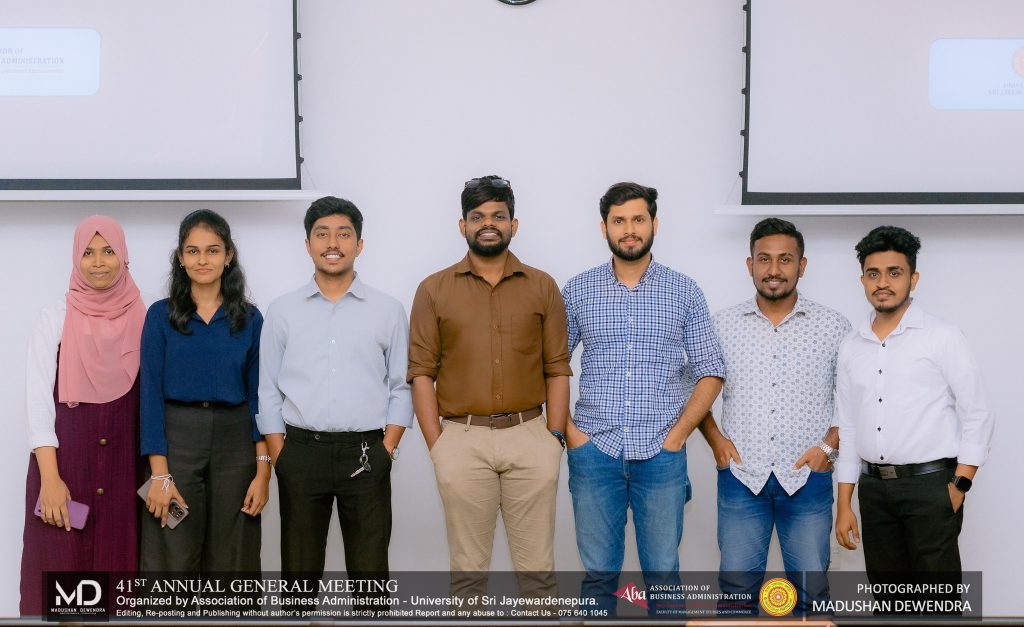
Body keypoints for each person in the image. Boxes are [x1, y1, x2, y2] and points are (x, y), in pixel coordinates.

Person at [561, 182, 725, 616]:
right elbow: (551, 365)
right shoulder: (578, 290)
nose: (629, 229)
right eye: (619, 221)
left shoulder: (684, 290)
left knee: (664, 574)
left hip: (661, 454)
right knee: (598, 576)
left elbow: (711, 370)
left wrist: (678, 436)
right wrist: (571, 433)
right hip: (594, 451)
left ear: (655, 223)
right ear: (604, 228)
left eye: (638, 219)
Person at [408, 175, 571, 604]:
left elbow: (557, 367)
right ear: (462, 225)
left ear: (513, 225)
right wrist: (438, 445)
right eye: (478, 216)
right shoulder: (433, 289)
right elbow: (421, 373)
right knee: (467, 576)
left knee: (538, 575)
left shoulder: (542, 286)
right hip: (461, 440)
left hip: (531, 436)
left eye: (498, 216)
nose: (488, 224)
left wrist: (553, 438)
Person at [257, 196, 412, 610]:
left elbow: (402, 386)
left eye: (343, 234)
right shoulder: (282, 311)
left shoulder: (388, 310)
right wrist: (280, 453)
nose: (332, 243)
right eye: (322, 234)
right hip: (300, 452)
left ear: (359, 244)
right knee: (299, 575)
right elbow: (268, 389)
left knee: (370, 575)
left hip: (366, 453)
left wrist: (387, 448)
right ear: (307, 244)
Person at [835, 226, 994, 608]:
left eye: (894, 272)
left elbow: (978, 411)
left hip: (932, 487)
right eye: (873, 274)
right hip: (874, 491)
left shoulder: (941, 336)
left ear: (913, 278)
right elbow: (849, 426)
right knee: (889, 605)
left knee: (938, 605)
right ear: (862, 280)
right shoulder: (851, 345)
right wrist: (844, 504)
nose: (883, 283)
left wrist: (960, 484)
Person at [700, 218, 850, 615]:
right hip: (741, 477)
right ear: (749, 265)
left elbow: (854, 401)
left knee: (812, 595)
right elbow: (693, 389)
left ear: (802, 265)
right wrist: (716, 441)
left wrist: (827, 449)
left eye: (785, 259)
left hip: (807, 479)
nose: (774, 269)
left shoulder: (834, 326)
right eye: (764, 259)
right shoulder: (721, 325)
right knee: (736, 595)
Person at [20, 216, 146, 616]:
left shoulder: (146, 319)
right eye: (88, 253)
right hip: (65, 471)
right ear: (76, 258)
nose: (98, 262)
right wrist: (50, 479)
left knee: (118, 594)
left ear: (123, 256)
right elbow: (38, 402)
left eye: (108, 251)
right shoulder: (54, 317)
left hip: (124, 474)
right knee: (58, 589)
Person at [139, 209, 268, 575]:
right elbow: (149, 396)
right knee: (172, 545)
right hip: (177, 442)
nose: (202, 260)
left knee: (233, 555)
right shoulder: (160, 316)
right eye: (192, 251)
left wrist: (263, 472)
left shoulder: (251, 319)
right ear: (180, 258)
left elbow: (259, 397)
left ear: (228, 256)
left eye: (212, 250)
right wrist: (159, 475)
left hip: (235, 445)